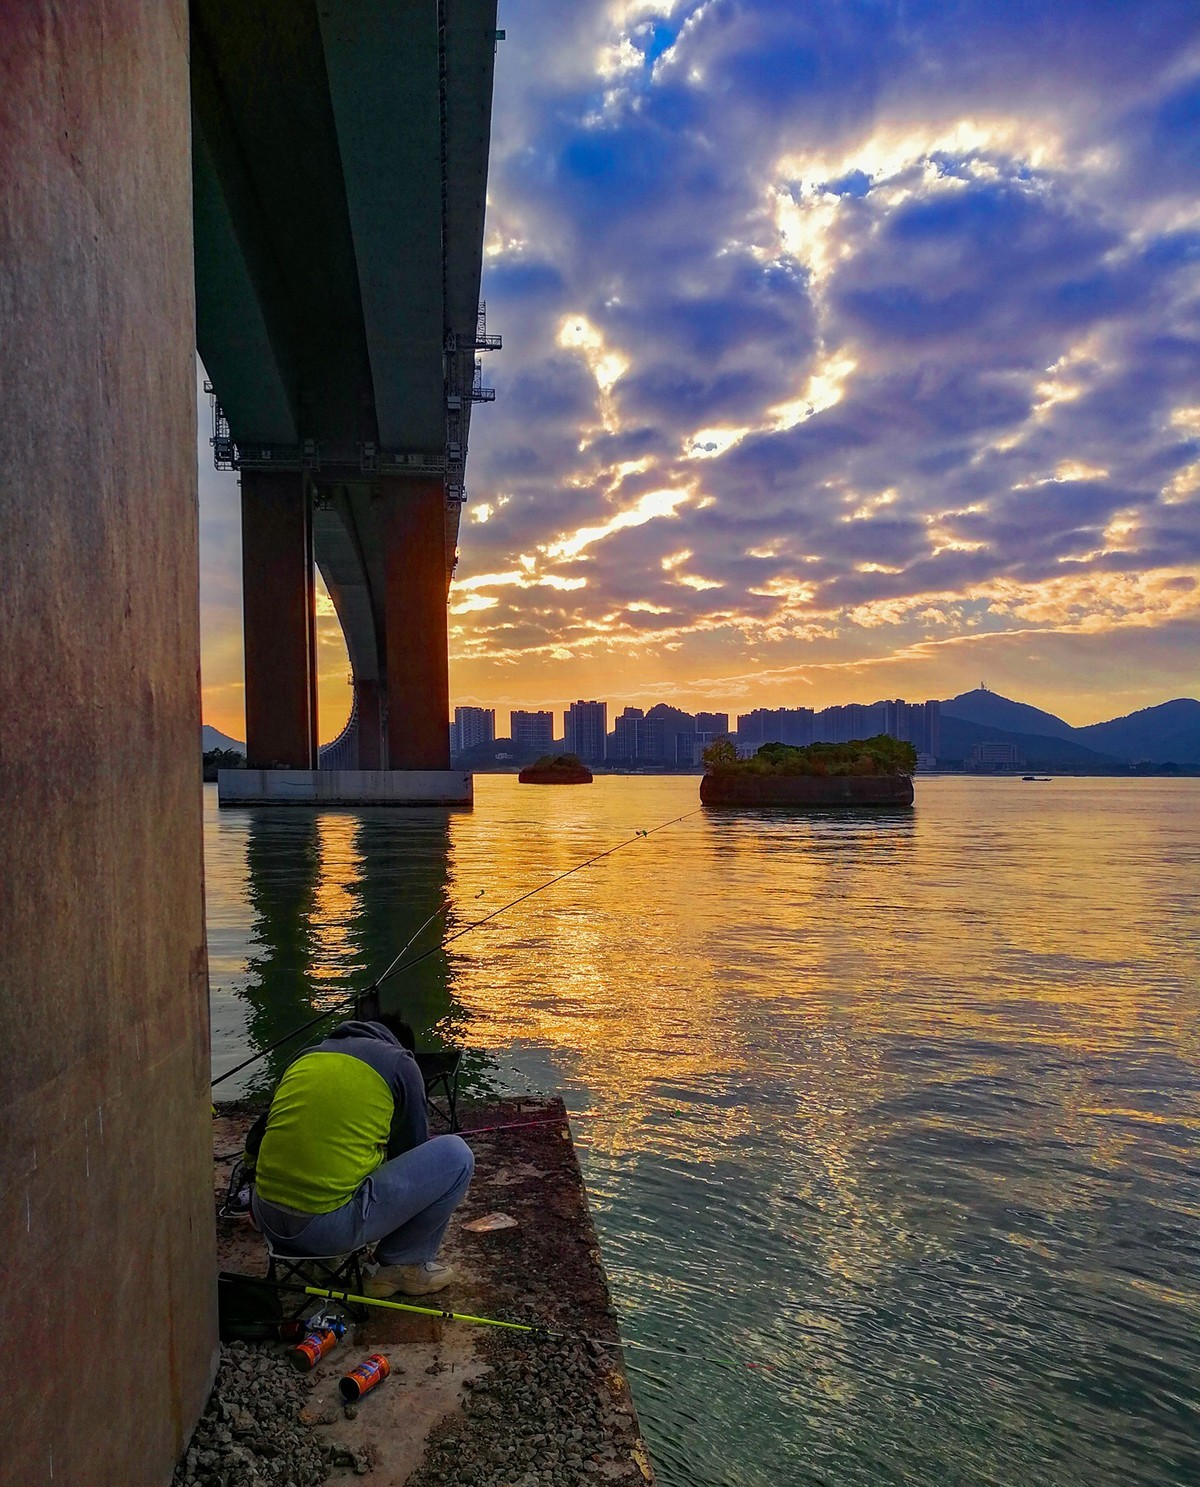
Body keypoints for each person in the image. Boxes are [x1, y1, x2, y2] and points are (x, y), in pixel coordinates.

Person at [243, 1016, 473, 1297]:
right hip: (325, 1232)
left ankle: (323, 1239)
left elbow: (256, 1137)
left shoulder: (309, 1056)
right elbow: (412, 1152)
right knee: (456, 1155)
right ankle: (398, 1266)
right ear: (399, 1045)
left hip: (267, 1219)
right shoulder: (401, 1063)